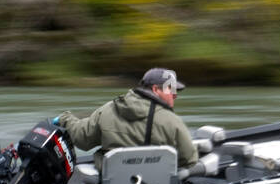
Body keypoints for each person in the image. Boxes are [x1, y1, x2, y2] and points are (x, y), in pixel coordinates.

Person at [54, 68, 198, 169]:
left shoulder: (108, 109)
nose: (175, 95)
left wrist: (65, 119)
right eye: (171, 89)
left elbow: (82, 138)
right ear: (155, 89)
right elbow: (189, 160)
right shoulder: (172, 121)